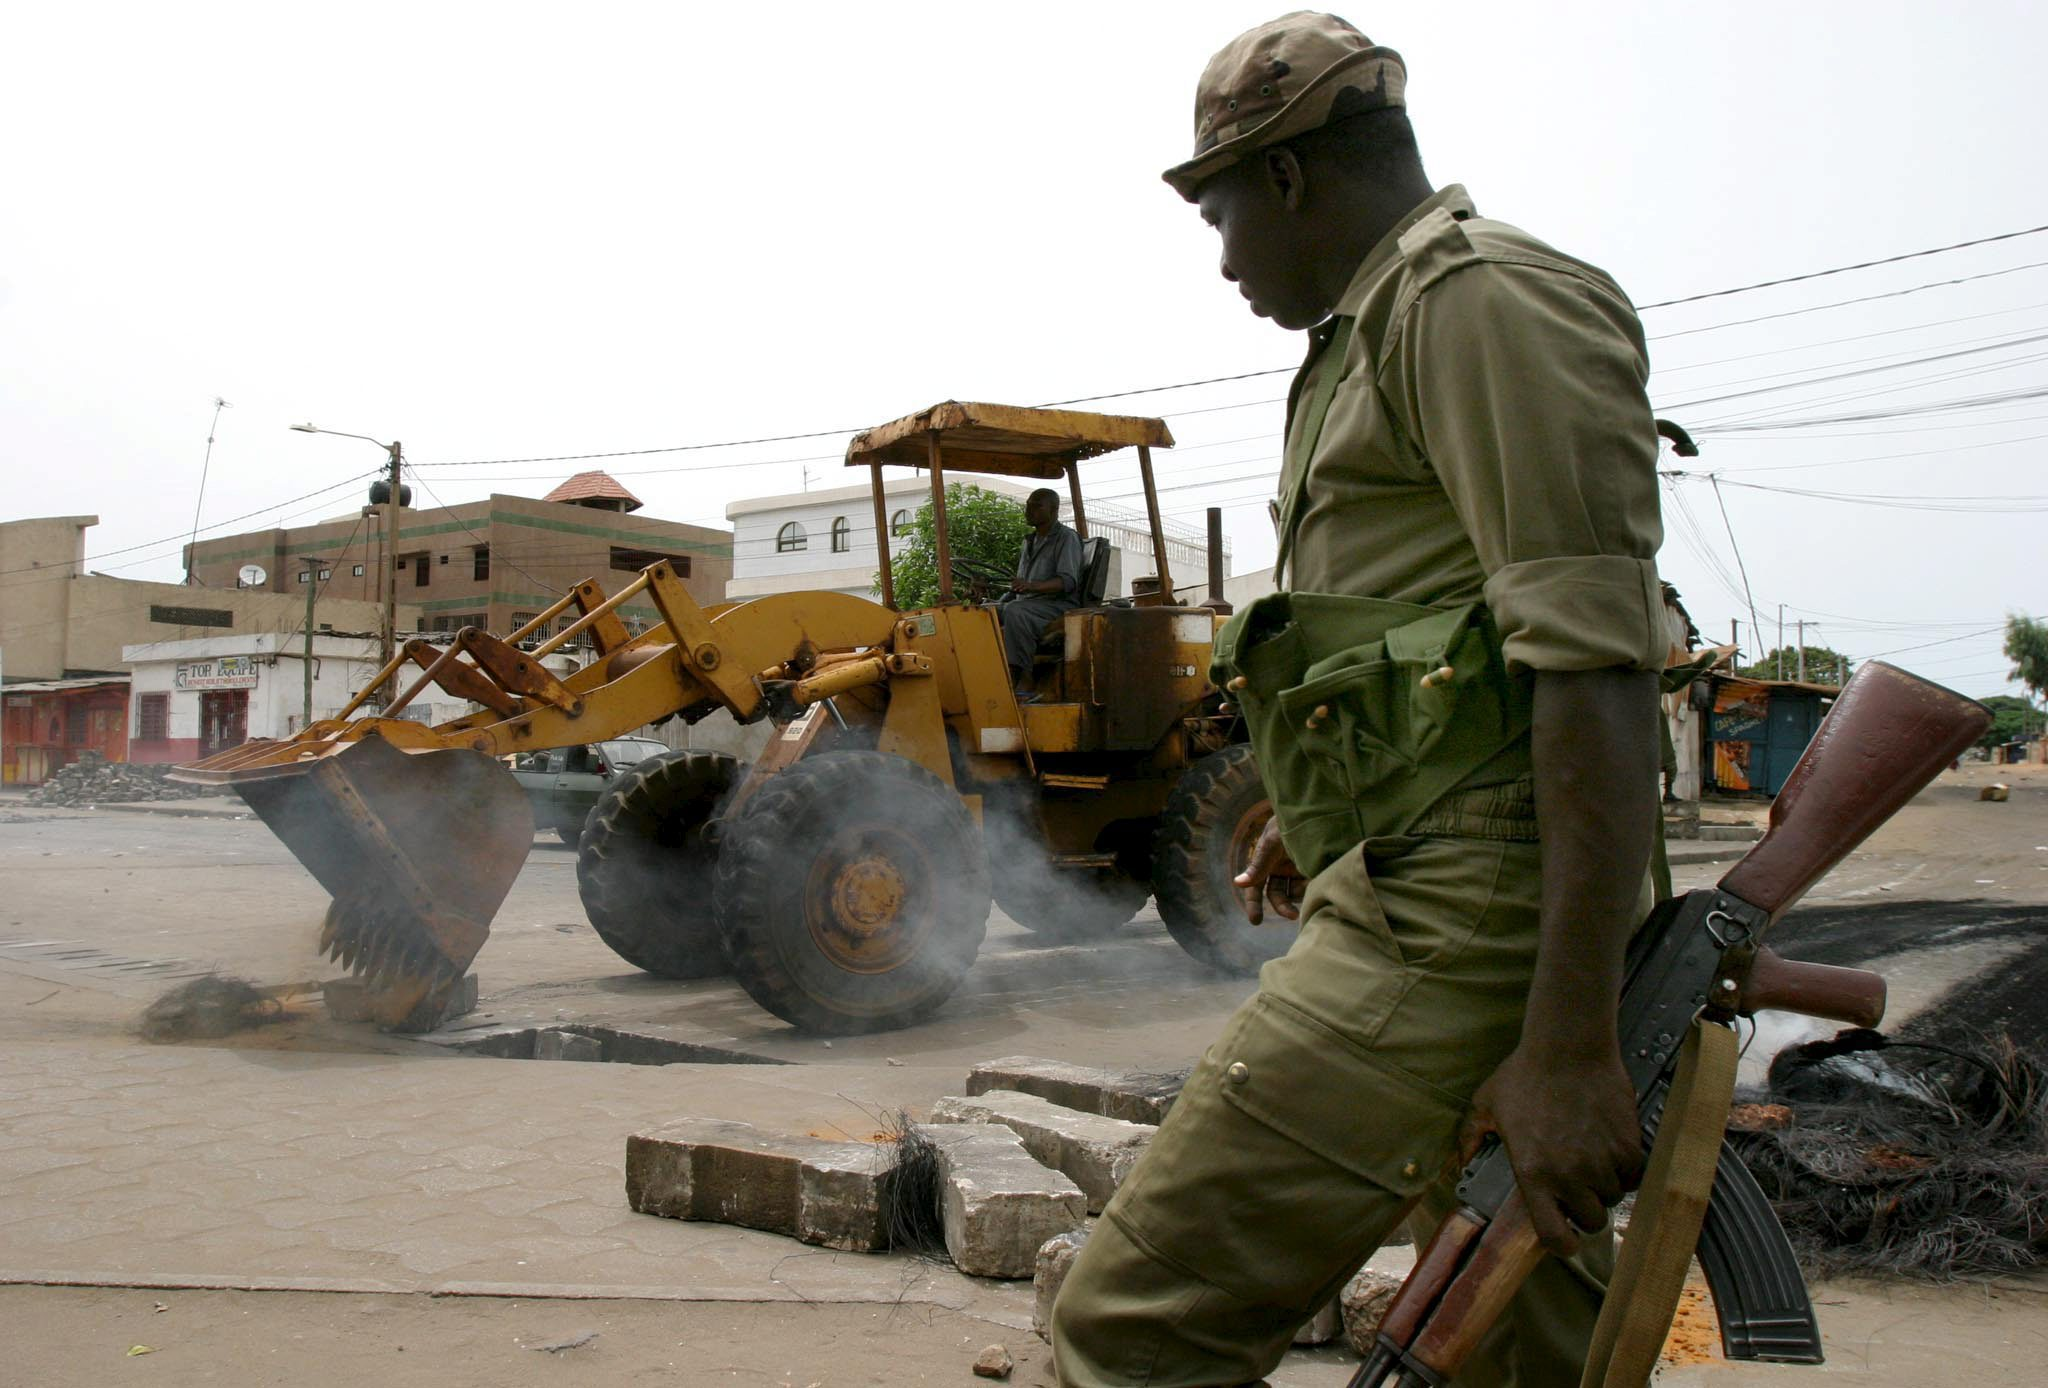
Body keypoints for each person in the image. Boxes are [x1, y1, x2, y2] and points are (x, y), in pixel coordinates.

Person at [1051, 14, 1668, 1386]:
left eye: (1219, 216)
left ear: (1286, 178)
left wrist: (1568, 1051)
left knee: (1131, 1329)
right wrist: (1327, 808)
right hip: (1427, 880)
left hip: (1462, 923)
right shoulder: (1375, 332)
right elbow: (1418, 645)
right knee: (1520, 1342)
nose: (1221, 261)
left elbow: (1595, 666)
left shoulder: (1477, 302)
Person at [996, 487, 1086, 686]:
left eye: (1036, 506)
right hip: (1029, 602)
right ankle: (989, 672)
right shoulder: (1029, 541)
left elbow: (1067, 582)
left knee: (1015, 611)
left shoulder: (1066, 538)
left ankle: (1022, 675)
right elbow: (1019, 587)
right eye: (1028, 505)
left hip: (1056, 606)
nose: (1029, 510)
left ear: (1053, 510)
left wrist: (1030, 587)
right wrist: (992, 601)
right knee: (982, 613)